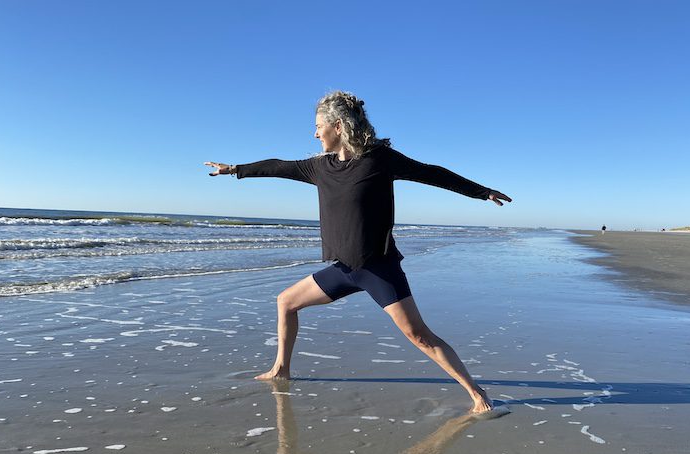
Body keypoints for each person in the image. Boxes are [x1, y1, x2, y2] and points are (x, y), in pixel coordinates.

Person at [205, 91, 512, 414]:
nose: (314, 133)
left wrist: (481, 192)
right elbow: (278, 166)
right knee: (286, 302)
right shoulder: (318, 168)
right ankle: (281, 368)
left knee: (419, 335)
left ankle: (478, 396)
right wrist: (236, 169)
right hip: (344, 270)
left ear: (338, 126)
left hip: (379, 269)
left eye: (318, 126)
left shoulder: (379, 159)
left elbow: (431, 172)